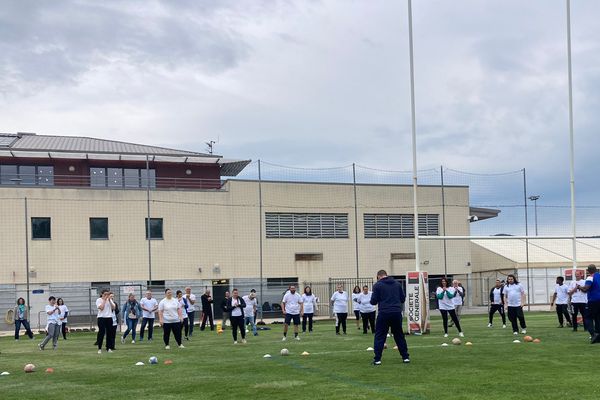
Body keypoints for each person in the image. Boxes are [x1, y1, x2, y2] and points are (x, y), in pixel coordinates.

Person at [369, 270, 410, 365]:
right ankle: (405, 357)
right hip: (396, 312)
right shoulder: (397, 284)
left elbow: (373, 301)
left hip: (384, 313)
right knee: (399, 335)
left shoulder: (377, 285)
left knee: (380, 336)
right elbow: (403, 299)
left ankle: (377, 359)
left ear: (378, 276)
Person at [578, 264, 600, 343]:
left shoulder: (590, 277)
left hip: (593, 300)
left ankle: (593, 334)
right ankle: (598, 337)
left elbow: (585, 289)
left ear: (588, 270)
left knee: (587, 317)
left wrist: (579, 287)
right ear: (596, 269)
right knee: (598, 318)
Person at [568, 270, 592, 335]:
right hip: (574, 301)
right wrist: (575, 288)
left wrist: (579, 287)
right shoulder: (572, 282)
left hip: (583, 301)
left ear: (581, 275)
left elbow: (586, 291)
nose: (577, 276)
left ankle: (586, 328)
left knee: (584, 315)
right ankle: (575, 328)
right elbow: (569, 293)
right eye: (576, 274)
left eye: (578, 274)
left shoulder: (584, 282)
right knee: (574, 315)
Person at [96, 289, 115, 354]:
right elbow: (101, 308)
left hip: (109, 318)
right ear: (102, 294)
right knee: (102, 333)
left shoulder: (110, 300)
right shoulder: (99, 300)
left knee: (109, 333)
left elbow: (114, 308)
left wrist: (109, 300)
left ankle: (108, 348)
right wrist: (104, 300)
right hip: (101, 318)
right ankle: (99, 348)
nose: (107, 295)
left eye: (107, 294)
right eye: (105, 294)